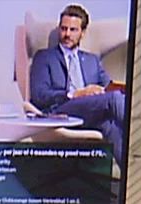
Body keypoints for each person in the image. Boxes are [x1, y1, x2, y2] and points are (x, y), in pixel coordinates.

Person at [26, 4, 128, 163]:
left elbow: (109, 87)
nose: (67, 34)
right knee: (114, 99)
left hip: (90, 113)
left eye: (73, 30)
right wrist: (74, 94)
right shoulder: (44, 57)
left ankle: (131, 174)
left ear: (83, 33)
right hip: (60, 111)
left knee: (110, 124)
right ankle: (140, 131)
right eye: (63, 29)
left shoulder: (92, 61)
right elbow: (39, 95)